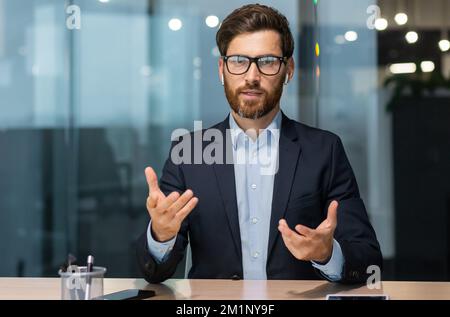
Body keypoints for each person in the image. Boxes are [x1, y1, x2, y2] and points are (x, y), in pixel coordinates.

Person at [136, 4, 382, 283]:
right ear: (222, 69)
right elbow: (153, 272)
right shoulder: (190, 153)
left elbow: (368, 259)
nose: (251, 76)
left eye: (267, 61)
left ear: (287, 69)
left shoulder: (324, 151)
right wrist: (161, 235)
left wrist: (328, 253)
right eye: (239, 61)